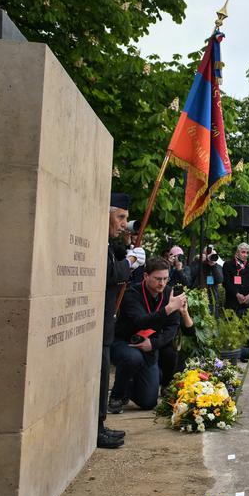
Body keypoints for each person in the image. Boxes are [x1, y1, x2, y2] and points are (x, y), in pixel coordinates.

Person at [109, 257, 183, 413]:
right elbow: (141, 321)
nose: (162, 283)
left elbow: (173, 327)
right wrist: (168, 309)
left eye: (165, 279)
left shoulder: (169, 293)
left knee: (148, 402)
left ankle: (141, 381)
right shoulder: (131, 293)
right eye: (157, 279)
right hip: (125, 342)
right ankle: (117, 395)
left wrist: (154, 344)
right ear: (145, 276)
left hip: (150, 346)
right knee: (132, 358)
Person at [99, 192, 142, 448]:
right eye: (120, 217)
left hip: (106, 324)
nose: (124, 222)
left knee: (104, 375)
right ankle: (97, 428)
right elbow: (111, 273)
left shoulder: (109, 244)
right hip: (103, 321)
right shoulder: (99, 242)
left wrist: (128, 246)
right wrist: (131, 260)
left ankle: (100, 425)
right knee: (102, 374)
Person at [222, 242, 249, 316]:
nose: (245, 255)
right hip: (232, 302)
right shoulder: (228, 265)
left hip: (247, 303)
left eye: (247, 253)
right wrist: (237, 294)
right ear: (237, 252)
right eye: (243, 252)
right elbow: (226, 283)